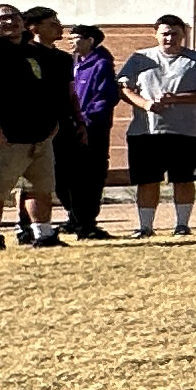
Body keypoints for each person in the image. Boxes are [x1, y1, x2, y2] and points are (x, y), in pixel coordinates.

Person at [0, 3, 65, 250]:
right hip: (3, 138)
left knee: (39, 188)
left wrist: (52, 124)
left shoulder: (30, 51)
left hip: (38, 135)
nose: (10, 22)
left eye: (14, 17)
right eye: (2, 18)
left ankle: (43, 233)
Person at [114, 13, 196, 237]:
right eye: (165, 34)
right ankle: (145, 227)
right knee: (147, 180)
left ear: (183, 35)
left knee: (183, 179)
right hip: (146, 131)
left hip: (186, 131)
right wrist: (146, 104)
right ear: (156, 34)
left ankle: (182, 225)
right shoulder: (139, 58)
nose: (169, 38)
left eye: (174, 33)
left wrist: (177, 98)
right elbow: (124, 89)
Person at [55, 22, 121, 238]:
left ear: (90, 41)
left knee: (89, 177)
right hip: (69, 128)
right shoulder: (71, 63)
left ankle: (86, 222)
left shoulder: (101, 64)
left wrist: (87, 122)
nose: (70, 42)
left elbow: (104, 98)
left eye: (75, 38)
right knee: (63, 177)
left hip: (92, 130)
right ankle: (73, 217)